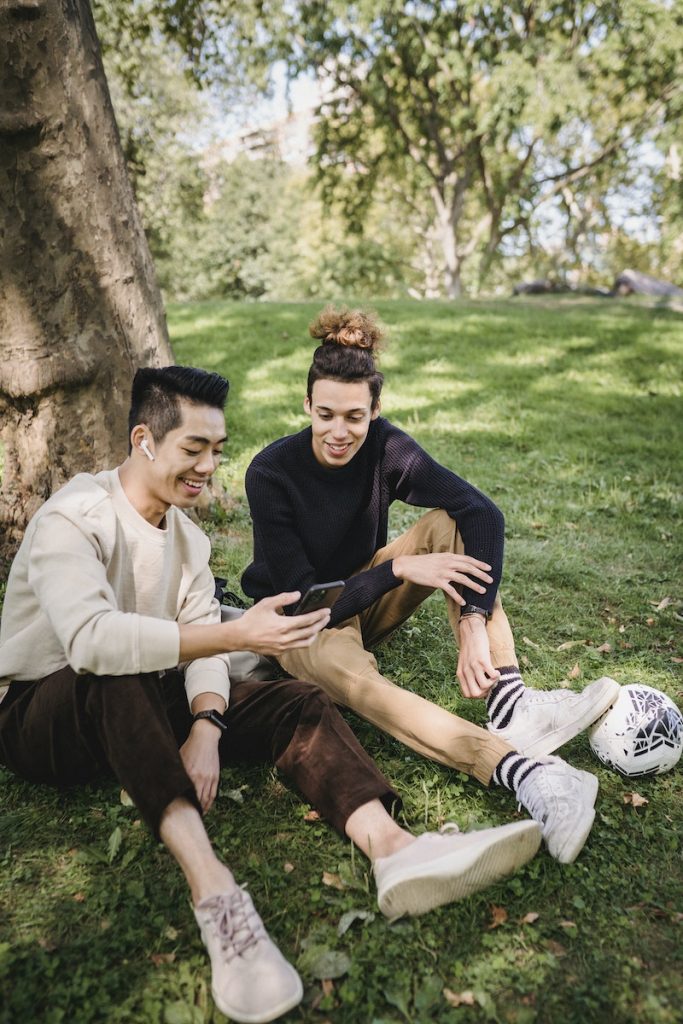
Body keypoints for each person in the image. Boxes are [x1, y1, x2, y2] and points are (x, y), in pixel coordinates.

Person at [0, 366, 545, 1024]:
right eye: (192, 450)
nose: (207, 468)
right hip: (42, 717)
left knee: (296, 701)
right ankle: (217, 894)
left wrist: (206, 723)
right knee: (116, 677)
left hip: (149, 697)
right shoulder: (75, 517)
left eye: (216, 450)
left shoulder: (188, 541)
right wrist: (233, 632)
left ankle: (394, 848)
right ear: (144, 440)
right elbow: (91, 643)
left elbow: (199, 651)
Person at [242, 307, 620, 866]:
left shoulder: (385, 448)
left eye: (354, 416)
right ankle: (525, 772)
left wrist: (472, 619)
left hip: (362, 596)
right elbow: (309, 603)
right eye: (325, 415)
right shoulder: (270, 473)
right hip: (298, 624)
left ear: (375, 410)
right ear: (306, 406)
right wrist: (397, 571)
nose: (339, 432)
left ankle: (510, 701)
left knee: (447, 524)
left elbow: (481, 513)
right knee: (359, 683)